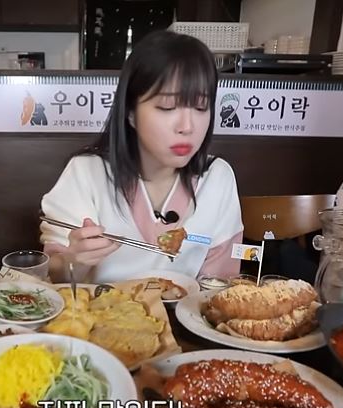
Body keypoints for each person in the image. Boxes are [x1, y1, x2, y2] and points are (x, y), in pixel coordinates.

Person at [40, 30, 243, 283]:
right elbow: (57, 275)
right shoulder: (87, 173)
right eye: (167, 107)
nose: (187, 127)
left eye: (201, 107)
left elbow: (219, 285)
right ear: (130, 112)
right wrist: (74, 261)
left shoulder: (217, 177)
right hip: (100, 307)